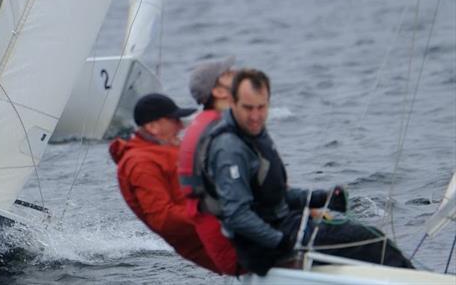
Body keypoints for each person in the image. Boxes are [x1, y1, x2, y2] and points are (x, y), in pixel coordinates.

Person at [196, 68, 413, 275]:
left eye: (261, 107)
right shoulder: (229, 149)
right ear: (232, 103)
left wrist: (320, 198)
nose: (255, 116)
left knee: (369, 236)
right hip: (268, 247)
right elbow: (237, 215)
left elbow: (271, 195)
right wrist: (280, 241)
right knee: (375, 244)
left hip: (285, 227)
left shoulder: (252, 133)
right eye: (248, 108)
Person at [109, 93, 220, 273]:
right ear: (153, 127)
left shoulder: (162, 150)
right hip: (216, 241)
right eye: (174, 120)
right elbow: (163, 219)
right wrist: (217, 213)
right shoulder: (140, 163)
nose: (180, 125)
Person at [178, 56, 239, 275]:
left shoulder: (211, 124)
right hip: (241, 250)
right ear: (219, 91)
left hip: (230, 243)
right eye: (230, 74)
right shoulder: (219, 132)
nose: (239, 75)